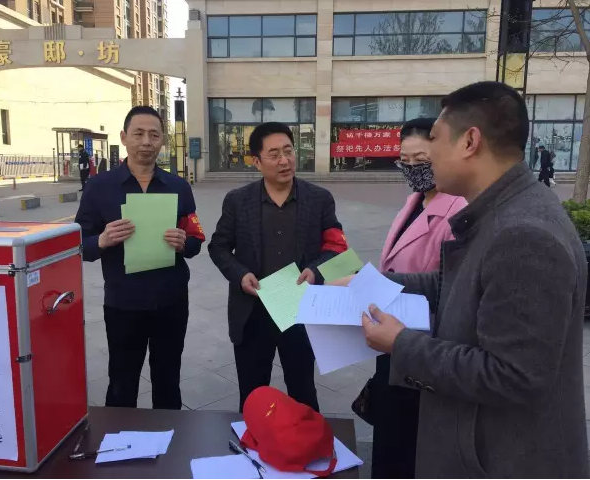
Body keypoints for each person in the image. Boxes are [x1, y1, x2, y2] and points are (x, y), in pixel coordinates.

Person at [358, 81, 588, 478]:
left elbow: (514, 375)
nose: (427, 154)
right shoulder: (503, 212)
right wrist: (377, 284)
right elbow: (456, 284)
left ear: (470, 142)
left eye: (434, 139)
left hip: (499, 459)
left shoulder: (523, 233)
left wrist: (401, 343)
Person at [208, 122, 348, 412]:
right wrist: (240, 275)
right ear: (257, 162)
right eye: (274, 154)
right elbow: (218, 247)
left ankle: (307, 439)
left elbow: (337, 248)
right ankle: (252, 437)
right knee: (252, 395)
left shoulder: (319, 199)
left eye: (289, 151)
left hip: (300, 311)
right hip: (253, 312)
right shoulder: (238, 201)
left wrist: (316, 271)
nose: (284, 161)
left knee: (303, 391)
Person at [75, 105, 205, 410]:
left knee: (168, 378)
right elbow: (77, 243)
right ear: (124, 137)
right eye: (139, 134)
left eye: (154, 135)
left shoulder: (178, 187)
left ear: (162, 140)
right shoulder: (99, 187)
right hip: (124, 302)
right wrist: (102, 240)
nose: (146, 141)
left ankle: (169, 432)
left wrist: (184, 243)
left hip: (171, 300)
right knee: (122, 380)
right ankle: (119, 435)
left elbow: (196, 238)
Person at [370, 117, 467, 479]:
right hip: (392, 335)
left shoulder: (457, 210)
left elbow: (451, 284)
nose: (412, 169)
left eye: (421, 160)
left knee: (408, 441)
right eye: (405, 160)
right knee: (390, 432)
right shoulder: (414, 201)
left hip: (422, 342)